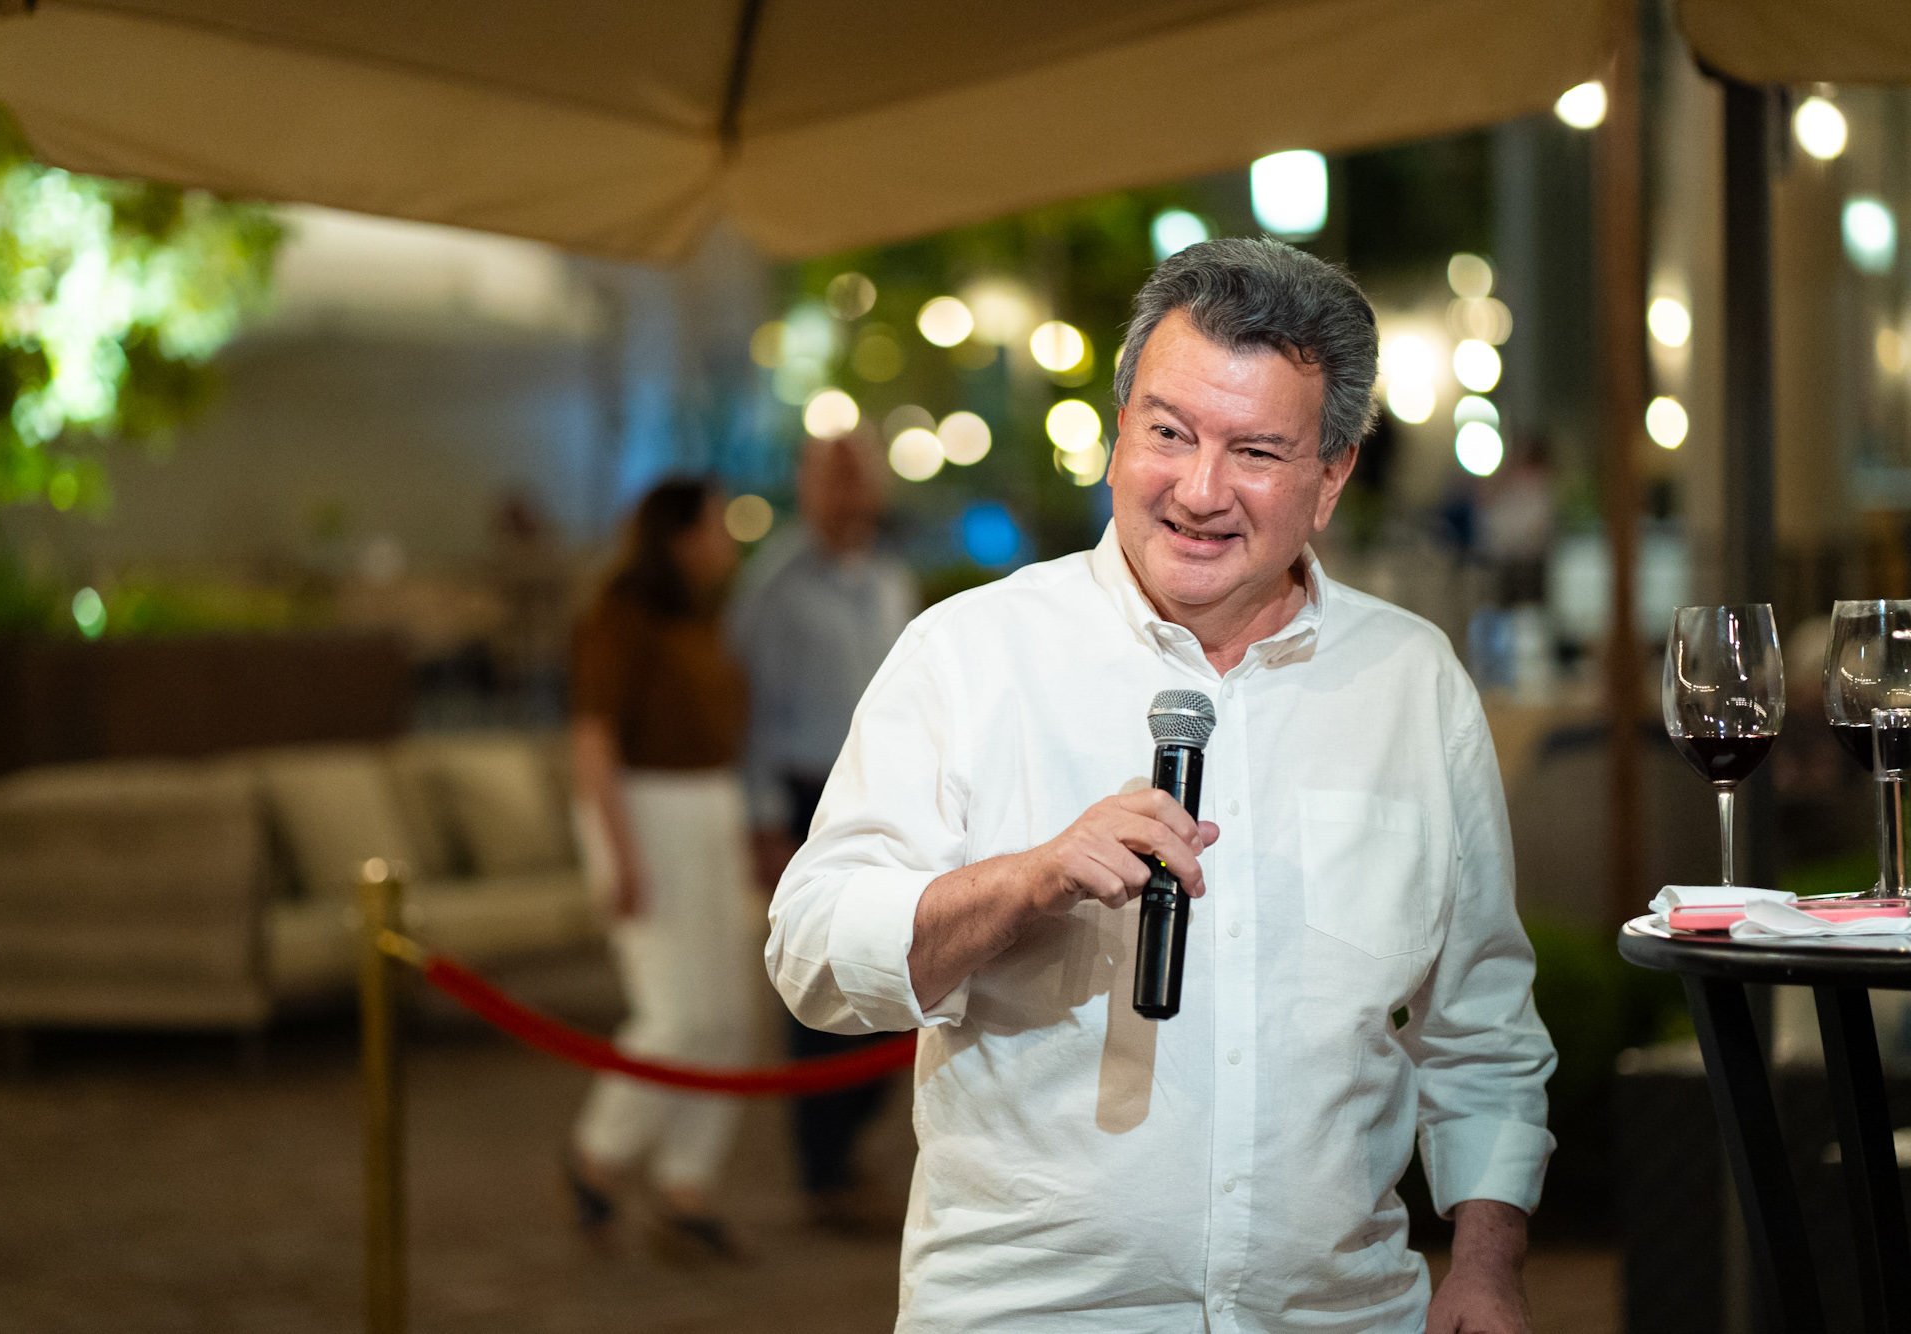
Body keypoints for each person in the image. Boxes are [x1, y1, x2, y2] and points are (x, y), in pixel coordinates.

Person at [766, 239, 1555, 1331]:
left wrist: (1487, 1264)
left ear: (1331, 478)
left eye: (1255, 451)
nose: (1198, 490)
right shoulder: (970, 654)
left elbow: (1480, 1024)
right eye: (1169, 432)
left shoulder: (1410, 681)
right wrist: (1025, 881)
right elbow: (811, 955)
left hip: (1337, 1313)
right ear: (1116, 433)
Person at [729, 431, 917, 1231]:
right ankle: (823, 1170)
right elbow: (748, 713)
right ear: (805, 488)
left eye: (857, 476)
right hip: (806, 799)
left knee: (892, 972)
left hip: (886, 798)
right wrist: (764, 819)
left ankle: (853, 1147)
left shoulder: (891, 579)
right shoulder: (774, 587)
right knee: (821, 980)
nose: (847, 492)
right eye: (831, 477)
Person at [567, 477, 754, 1262]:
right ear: (680, 537)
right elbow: (593, 739)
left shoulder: (699, 616)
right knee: (674, 1013)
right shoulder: (621, 615)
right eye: (717, 526)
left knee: (727, 1012)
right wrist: (618, 852)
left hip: (707, 803)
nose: (728, 542)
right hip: (644, 809)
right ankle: (598, 1153)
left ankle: (686, 1183)